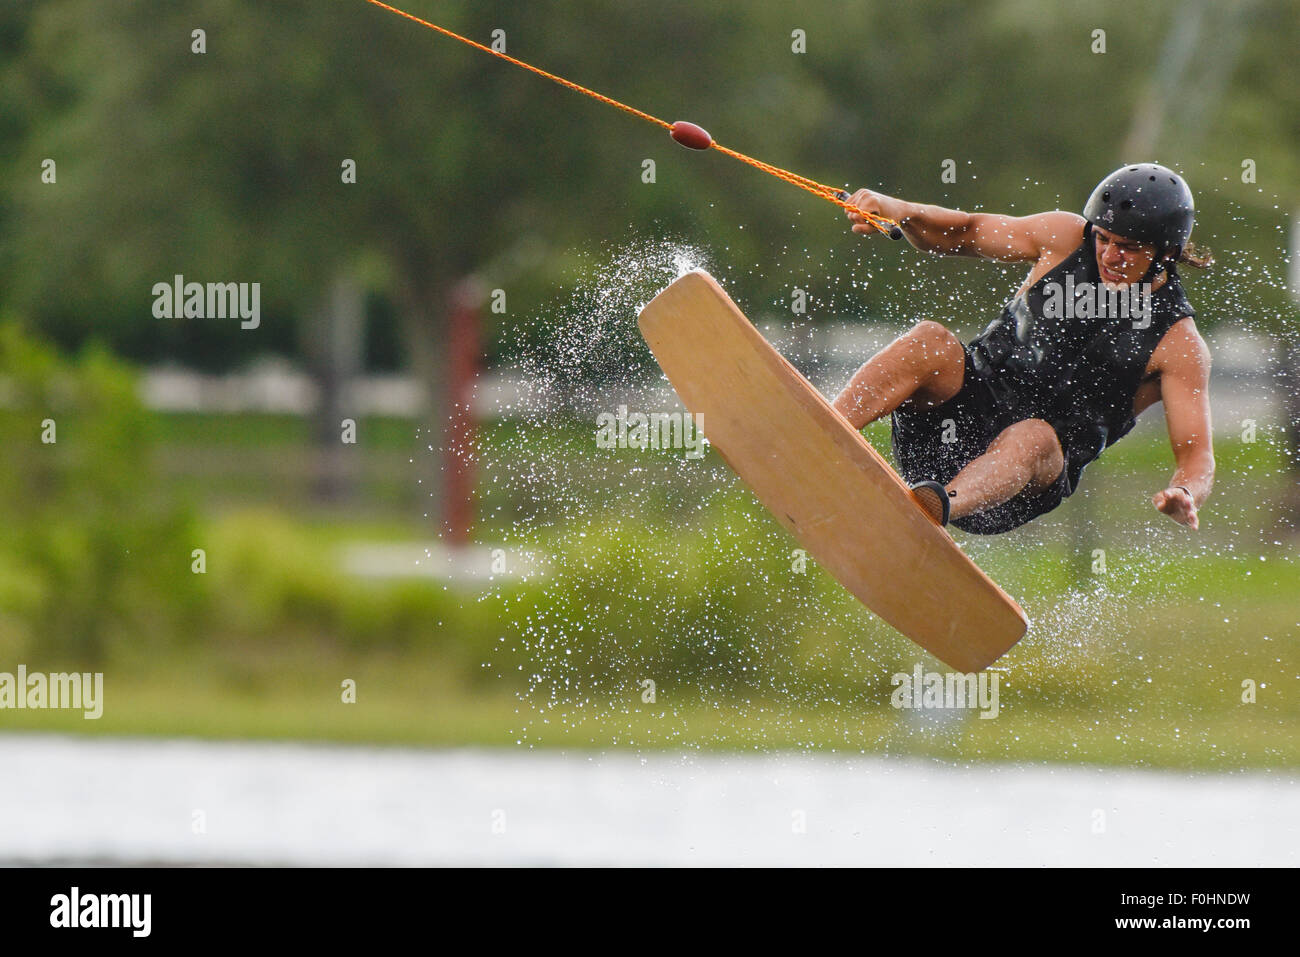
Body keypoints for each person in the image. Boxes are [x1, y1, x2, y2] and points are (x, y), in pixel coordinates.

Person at [832, 163, 1215, 534]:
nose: (1110, 256)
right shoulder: (1063, 239)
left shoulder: (1178, 343)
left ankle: (931, 508)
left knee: (1034, 435)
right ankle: (824, 425)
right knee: (931, 339)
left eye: (1129, 248)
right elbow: (963, 231)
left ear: (1166, 252)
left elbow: (1197, 458)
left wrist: (1185, 494)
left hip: (1011, 489)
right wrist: (899, 211)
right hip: (946, 429)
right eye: (1103, 239)